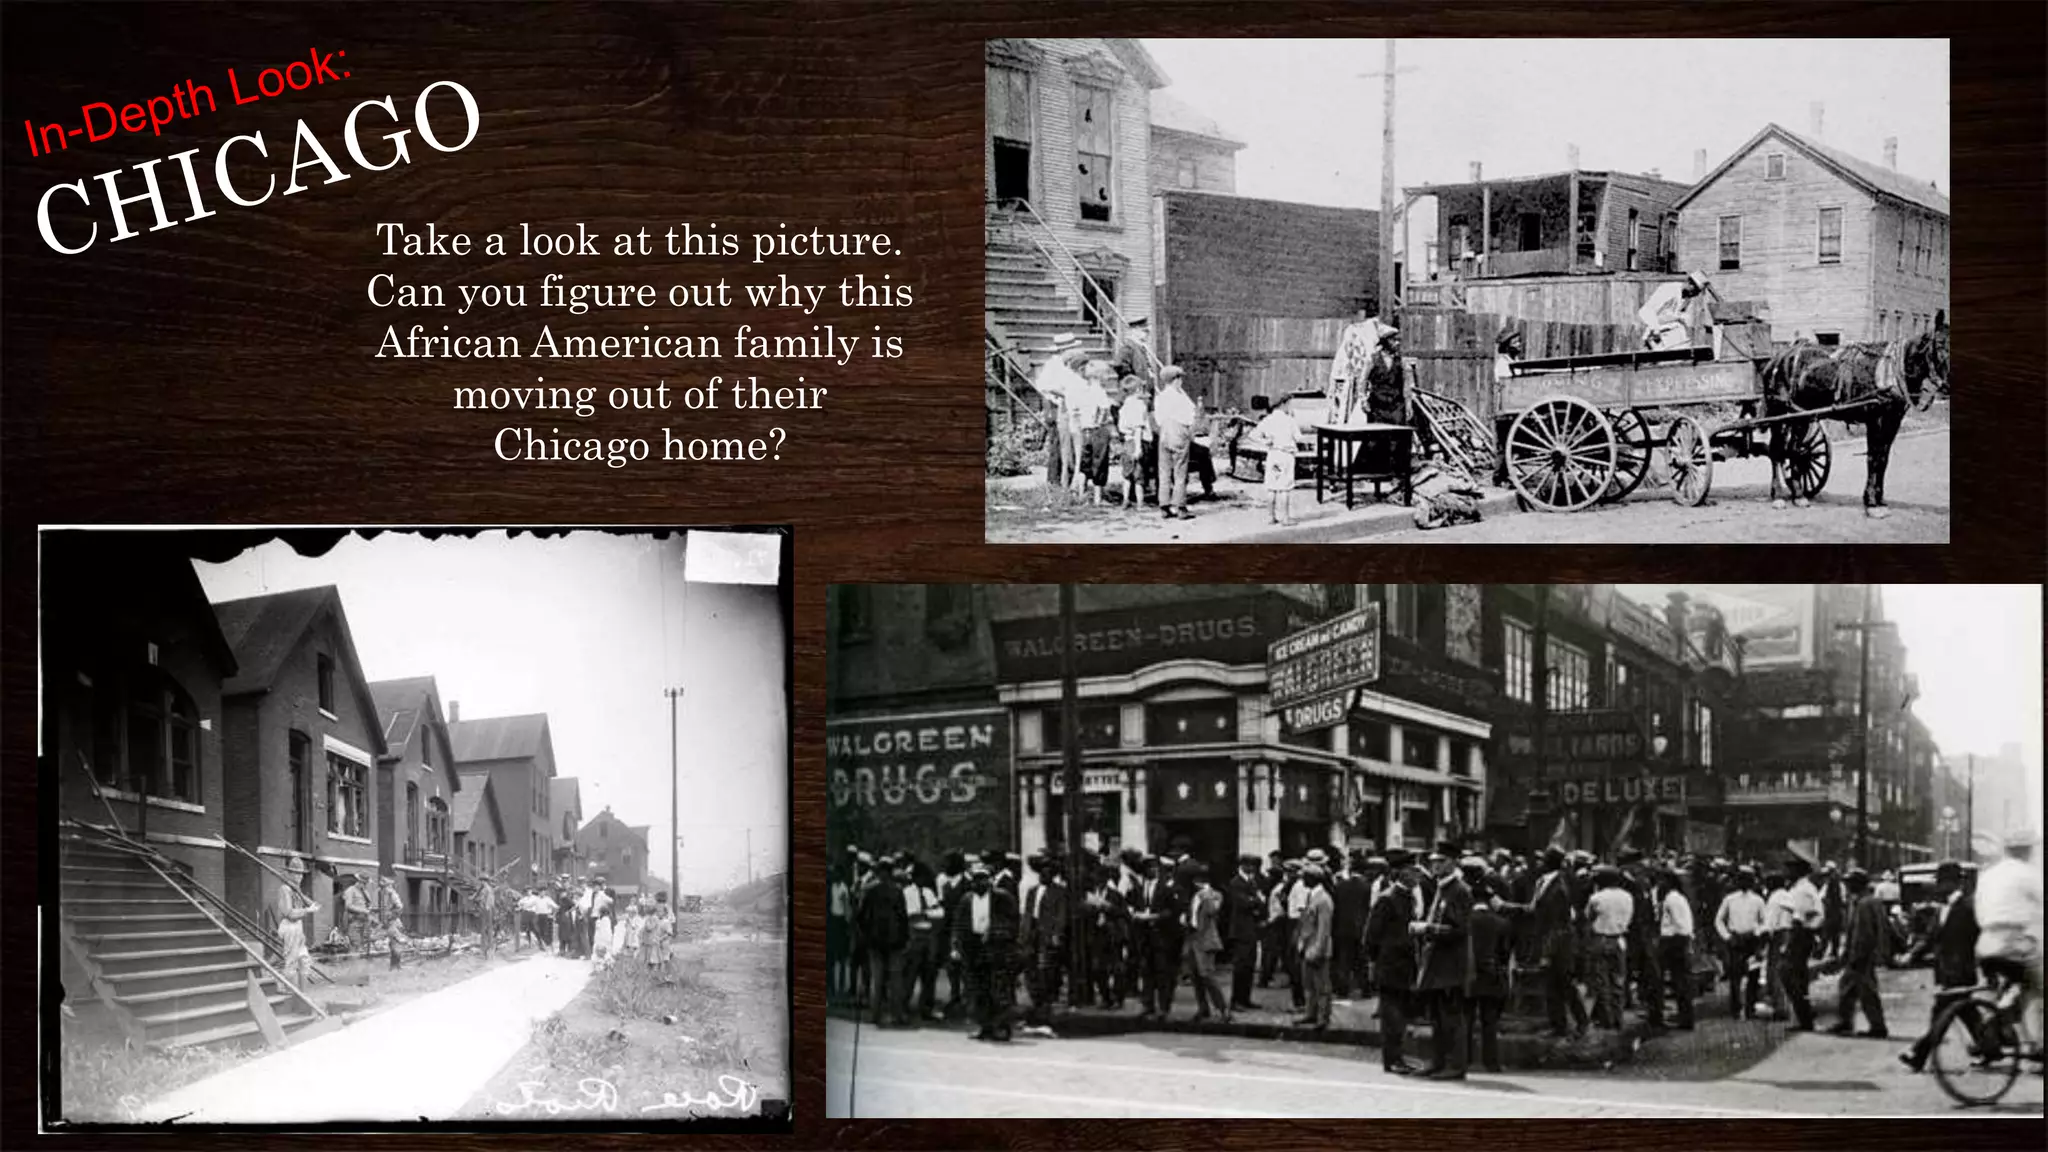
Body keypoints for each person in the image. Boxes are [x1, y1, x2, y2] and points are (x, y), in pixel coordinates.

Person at [1899, 861, 1981, 1072]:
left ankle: (1919, 1054)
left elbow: (1976, 939)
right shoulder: (1942, 909)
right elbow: (1929, 938)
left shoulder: (1968, 907)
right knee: (1967, 1014)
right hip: (1945, 971)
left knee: (1942, 1015)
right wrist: (1911, 954)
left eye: (1942, 883)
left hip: (1960, 972)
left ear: (1953, 884)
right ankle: (1992, 1047)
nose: (1938, 888)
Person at [1412, 848, 1473, 1080]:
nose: (1435, 865)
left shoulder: (1459, 891)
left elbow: (1460, 930)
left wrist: (1428, 929)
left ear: (1453, 862)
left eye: (1441, 861)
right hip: (1437, 964)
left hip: (1451, 965)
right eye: (1433, 861)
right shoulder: (1442, 888)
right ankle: (1438, 1061)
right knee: (1437, 1018)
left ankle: (1456, 1065)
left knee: (1452, 1018)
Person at [1973, 829, 2043, 1012]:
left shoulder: (1988, 874)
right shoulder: (2027, 873)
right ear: (2028, 851)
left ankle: (1997, 1015)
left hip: (1984, 944)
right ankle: (2032, 1039)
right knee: (2037, 984)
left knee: (2011, 981)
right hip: (2011, 943)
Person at [1364, 855, 1422, 1075]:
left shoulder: (1407, 897)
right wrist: (1375, 962)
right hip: (1390, 966)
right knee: (1392, 1018)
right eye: (1413, 870)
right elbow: (1371, 935)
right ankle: (1391, 1060)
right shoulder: (1388, 899)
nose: (1417, 875)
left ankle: (1398, 1057)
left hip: (1404, 966)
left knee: (1401, 1016)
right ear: (1401, 873)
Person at [952, 861, 1019, 1042]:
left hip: (996, 948)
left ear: (990, 881)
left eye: (983, 879)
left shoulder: (1002, 897)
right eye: (975, 880)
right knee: (978, 990)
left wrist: (996, 933)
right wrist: (957, 946)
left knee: (998, 990)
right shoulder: (967, 900)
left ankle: (1001, 1027)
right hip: (974, 948)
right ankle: (984, 1026)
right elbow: (959, 925)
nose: (979, 883)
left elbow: (1012, 922)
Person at [1530, 848, 1589, 1037]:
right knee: (1553, 986)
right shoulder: (1547, 883)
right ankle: (1559, 1025)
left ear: (1549, 863)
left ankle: (1579, 1022)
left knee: (1564, 984)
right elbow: (1535, 910)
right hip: (1554, 941)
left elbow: (1557, 923)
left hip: (1559, 944)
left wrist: (1547, 953)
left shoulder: (1557, 889)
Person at [1830, 868, 1890, 1037]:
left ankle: (1877, 1026)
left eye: (1849, 883)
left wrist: (1855, 955)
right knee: (1849, 988)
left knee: (1865, 991)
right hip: (1861, 954)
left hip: (1862, 955)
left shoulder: (1864, 904)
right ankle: (1847, 1021)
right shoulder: (1867, 901)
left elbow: (1864, 934)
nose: (1847, 886)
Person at [1466, 865, 1514, 1073]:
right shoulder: (1501, 923)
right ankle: (1491, 1062)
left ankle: (1465, 1058)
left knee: (1465, 1019)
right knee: (1490, 1023)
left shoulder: (1465, 921)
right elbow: (1505, 953)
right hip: (1493, 976)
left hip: (1469, 975)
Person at [859, 855, 910, 1026]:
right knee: (895, 979)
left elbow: (860, 916)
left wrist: (865, 935)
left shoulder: (869, 889)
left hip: (874, 940)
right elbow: (903, 917)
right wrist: (905, 938)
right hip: (894, 940)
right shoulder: (897, 890)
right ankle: (897, 1015)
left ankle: (875, 1015)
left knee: (877, 979)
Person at [1714, 868, 1768, 1019]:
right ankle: (1735, 1008)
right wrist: (1727, 936)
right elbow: (1718, 920)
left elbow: (1765, 921)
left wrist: (1757, 933)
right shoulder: (1730, 899)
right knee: (1735, 976)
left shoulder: (1758, 900)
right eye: (1741, 879)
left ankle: (1750, 1008)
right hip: (1735, 940)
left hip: (1751, 940)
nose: (1744, 882)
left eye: (1747, 879)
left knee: (1753, 975)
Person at [1585, 865, 1634, 1029]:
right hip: (1620, 939)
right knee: (1618, 981)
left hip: (1601, 939)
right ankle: (1618, 1018)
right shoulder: (1628, 897)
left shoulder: (1597, 897)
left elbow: (1588, 916)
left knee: (1602, 981)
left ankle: (1607, 1019)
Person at [1779, 856, 1824, 1031]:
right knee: (1797, 976)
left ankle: (1804, 1016)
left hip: (1799, 936)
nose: (1786, 872)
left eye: (1790, 868)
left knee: (1790, 975)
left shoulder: (1802, 890)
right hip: (1802, 935)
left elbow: (1798, 918)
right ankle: (1804, 1016)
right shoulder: (1801, 887)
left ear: (1799, 871)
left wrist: (1788, 943)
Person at [1183, 863, 1230, 1023]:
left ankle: (1223, 1009)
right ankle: (1203, 1009)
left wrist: (1206, 894)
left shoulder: (1214, 895)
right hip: (1193, 938)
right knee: (1196, 977)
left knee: (1208, 975)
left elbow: (1213, 911)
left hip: (1206, 940)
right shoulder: (1193, 896)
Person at [1153, 367, 1199, 519]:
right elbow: (1191, 415)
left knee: (1164, 470)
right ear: (1175, 380)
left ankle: (1164, 506)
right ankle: (1180, 507)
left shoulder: (1160, 396)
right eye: (1180, 379)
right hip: (1178, 431)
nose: (1182, 382)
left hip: (1164, 433)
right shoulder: (1180, 398)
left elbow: (1158, 419)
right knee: (1180, 471)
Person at [1252, 395, 1303, 526]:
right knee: (1284, 488)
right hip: (1286, 455)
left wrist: (1265, 441)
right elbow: (1299, 438)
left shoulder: (1268, 420)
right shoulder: (1290, 420)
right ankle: (1285, 518)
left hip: (1273, 455)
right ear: (1284, 404)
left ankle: (1271, 517)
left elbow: (1252, 435)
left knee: (1272, 487)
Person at [1294, 862, 1334, 1029]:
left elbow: (1324, 928)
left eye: (1305, 877)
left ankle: (1322, 1018)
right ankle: (1311, 1013)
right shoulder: (1312, 896)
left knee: (1322, 985)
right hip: (1308, 946)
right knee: (1309, 984)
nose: (1302, 880)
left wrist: (1317, 949)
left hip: (1318, 948)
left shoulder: (1323, 900)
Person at [1656, 869, 1697, 1031]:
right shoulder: (1678, 898)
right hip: (1678, 940)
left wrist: (1680, 942)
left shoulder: (1672, 899)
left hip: (1674, 941)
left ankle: (1685, 1018)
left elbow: (1681, 924)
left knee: (1680, 981)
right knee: (1680, 981)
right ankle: (1685, 1016)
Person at [1226, 853, 1266, 1012]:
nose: (1252, 868)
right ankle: (1236, 1000)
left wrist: (1256, 902)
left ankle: (1245, 998)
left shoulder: (1252, 882)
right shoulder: (1236, 882)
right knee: (1241, 966)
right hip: (1241, 930)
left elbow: (1258, 902)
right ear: (1242, 865)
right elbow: (1244, 903)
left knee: (1249, 966)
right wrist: (1256, 901)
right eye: (1249, 865)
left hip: (1251, 929)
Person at [1637, 271, 1710, 351]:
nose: (1696, 294)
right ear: (1689, 282)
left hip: (1673, 335)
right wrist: (1655, 328)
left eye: (1698, 292)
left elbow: (1677, 316)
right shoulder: (1668, 289)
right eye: (1695, 290)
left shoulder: (1686, 298)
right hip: (1656, 336)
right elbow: (1646, 311)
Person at [274, 861, 317, 990]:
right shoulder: (285, 889)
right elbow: (289, 913)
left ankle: (302, 995)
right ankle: (292, 995)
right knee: (291, 962)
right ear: (289, 874)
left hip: (297, 926)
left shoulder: (295, 889)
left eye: (301, 874)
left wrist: (302, 896)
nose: (299, 877)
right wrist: (307, 911)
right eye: (296, 874)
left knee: (304, 961)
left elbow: (309, 905)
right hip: (289, 926)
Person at [1115, 380, 1152, 509]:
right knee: (1138, 475)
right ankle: (1140, 503)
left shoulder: (1124, 406)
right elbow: (1138, 428)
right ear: (1137, 390)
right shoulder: (1139, 405)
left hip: (1126, 440)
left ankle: (1126, 499)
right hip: (1137, 441)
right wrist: (1138, 448)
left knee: (1127, 474)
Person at [376, 875, 407, 970]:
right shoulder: (385, 894)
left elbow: (399, 907)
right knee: (392, 944)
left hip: (393, 922)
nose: (382, 888)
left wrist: (390, 916)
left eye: (383, 886)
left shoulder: (392, 894)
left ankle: (396, 965)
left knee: (396, 943)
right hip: (388, 922)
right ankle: (394, 965)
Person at [343, 873, 374, 953]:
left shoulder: (365, 892)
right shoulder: (350, 890)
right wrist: (363, 910)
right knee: (356, 944)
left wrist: (370, 909)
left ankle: (362, 963)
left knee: (364, 946)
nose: (366, 885)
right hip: (354, 922)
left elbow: (368, 904)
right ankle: (355, 963)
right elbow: (348, 906)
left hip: (365, 922)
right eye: (365, 883)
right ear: (360, 882)